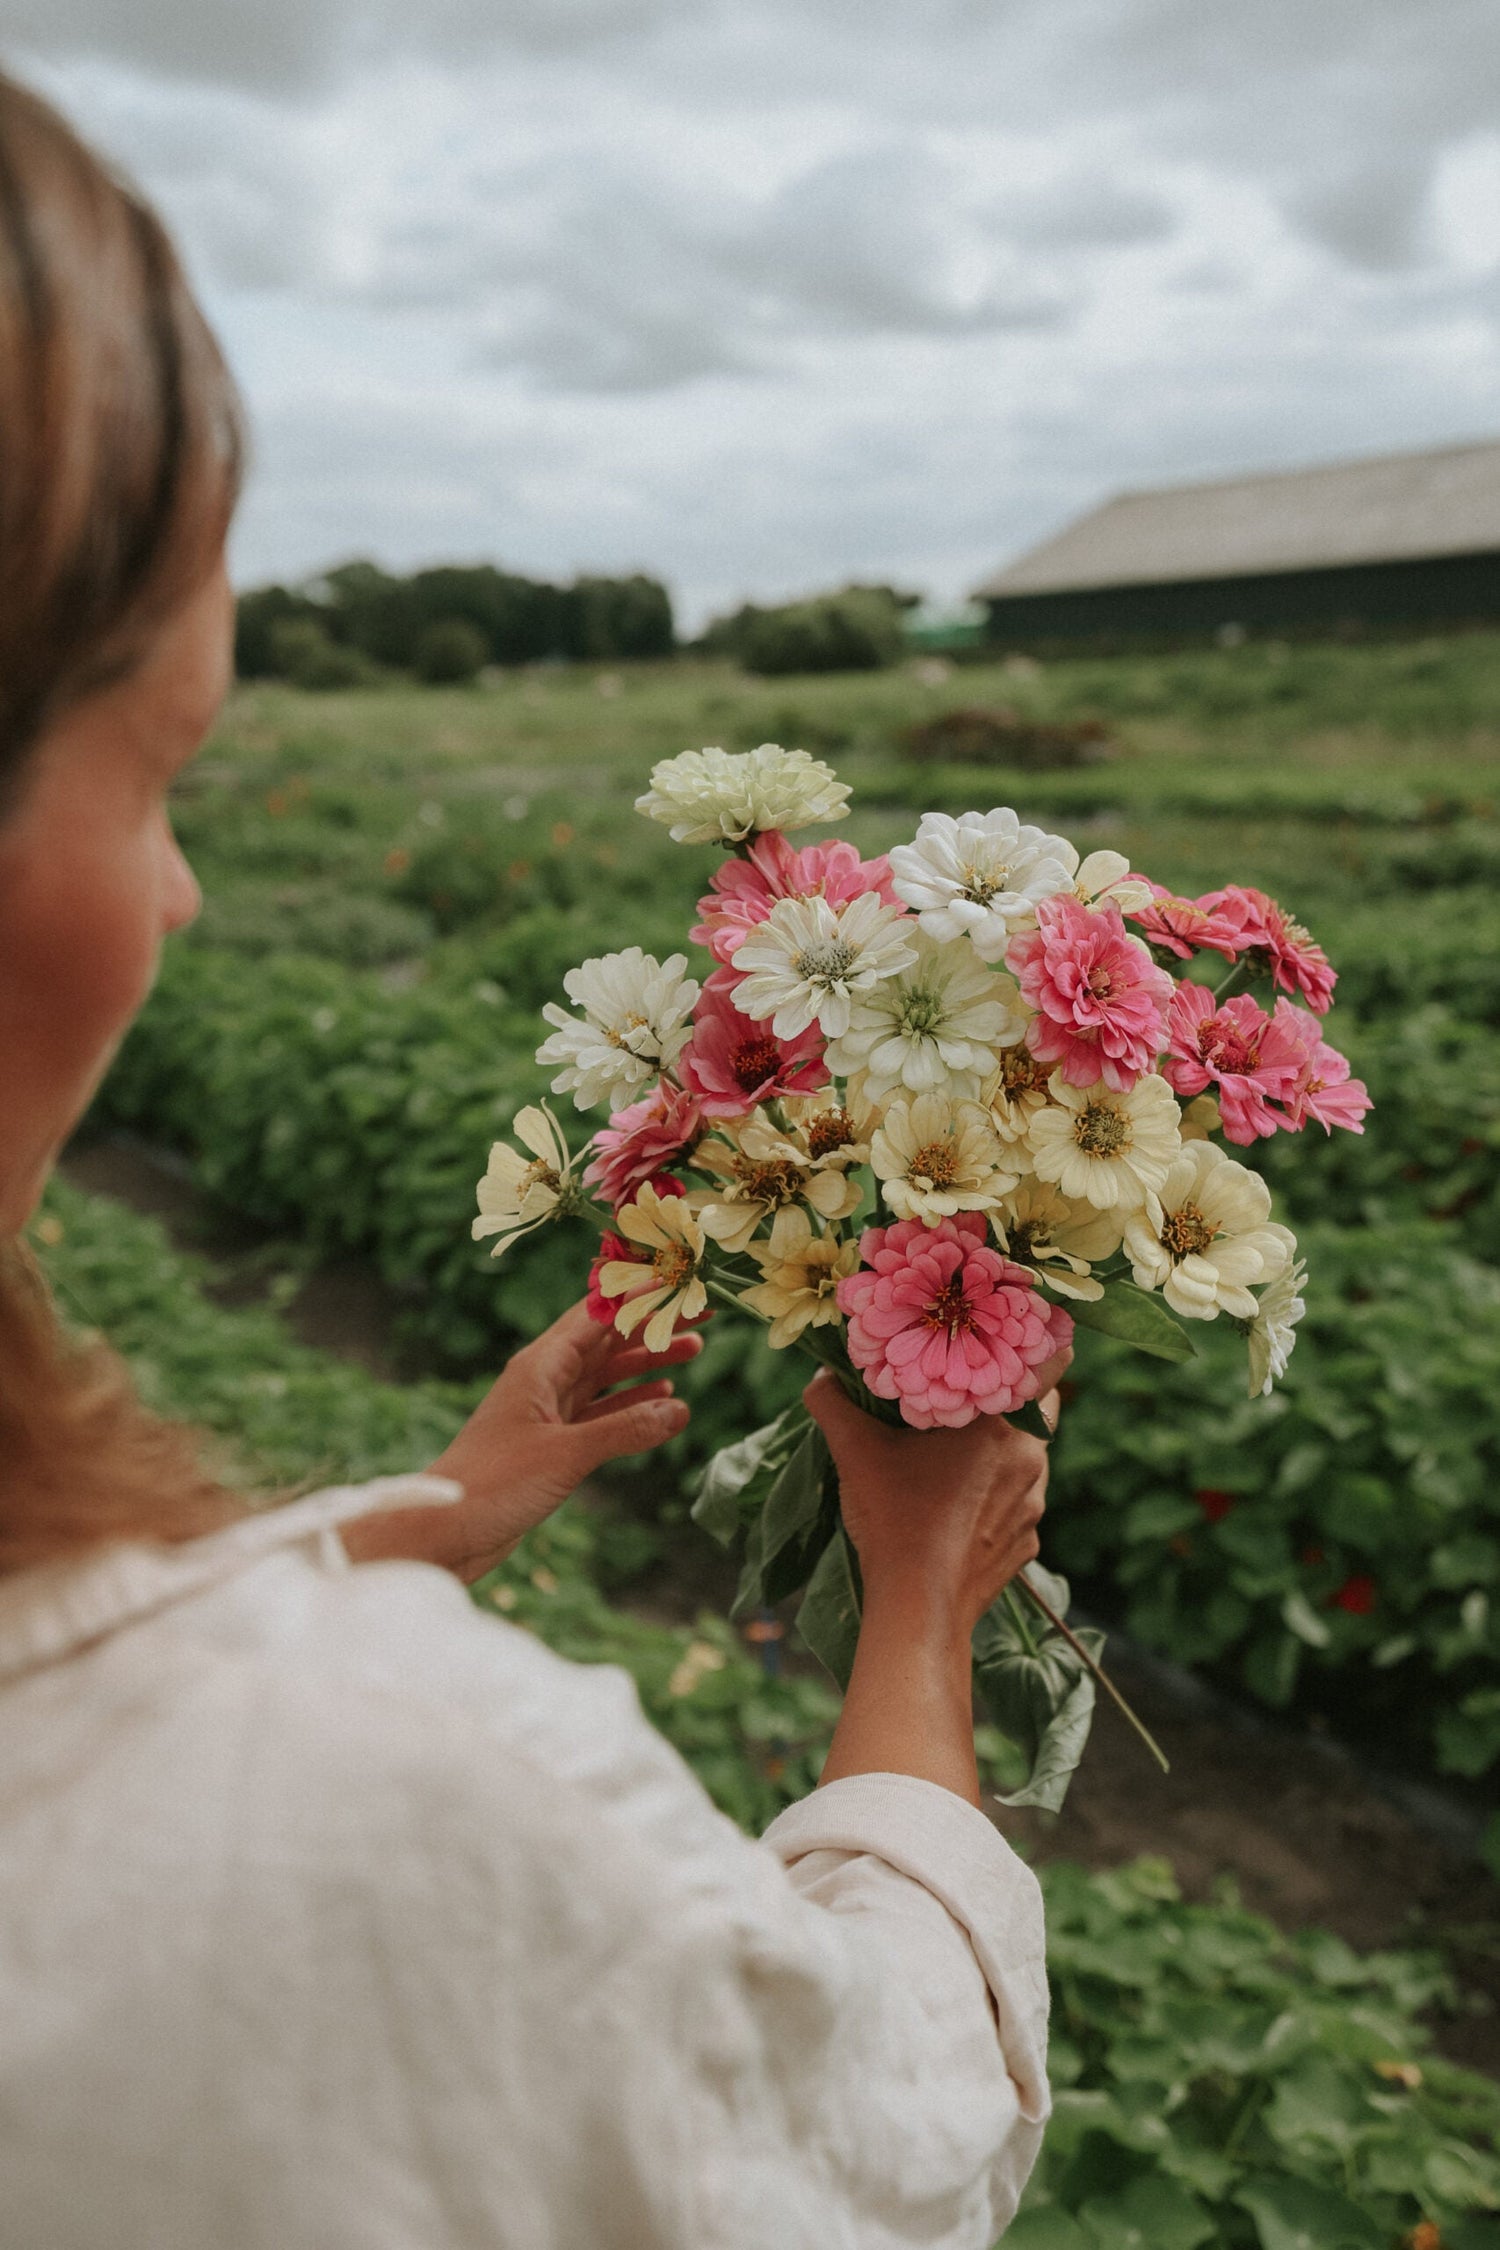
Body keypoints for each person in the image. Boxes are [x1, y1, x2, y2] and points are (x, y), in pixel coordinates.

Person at [0, 74, 1064, 2249]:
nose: (185, 897)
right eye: (162, 769)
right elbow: (869, 2154)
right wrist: (925, 1629)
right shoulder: (388, 1804)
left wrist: (425, 1518)